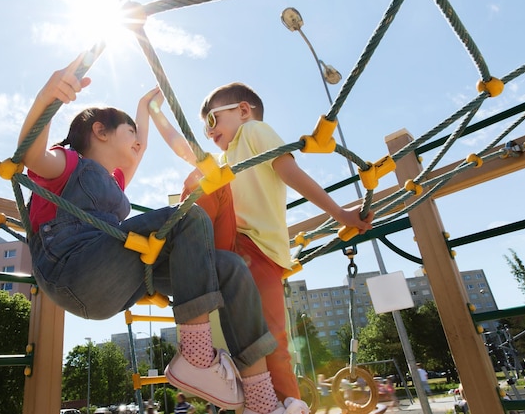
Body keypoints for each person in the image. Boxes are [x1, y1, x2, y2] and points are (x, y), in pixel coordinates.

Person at [18, 54, 308, 414]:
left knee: (231, 268)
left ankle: (261, 402)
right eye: (130, 135)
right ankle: (196, 356)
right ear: (99, 132)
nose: (138, 143)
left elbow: (139, 153)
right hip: (73, 267)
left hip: (114, 281)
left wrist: (145, 108)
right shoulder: (68, 162)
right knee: (186, 217)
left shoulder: (115, 181)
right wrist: (48, 98)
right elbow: (30, 156)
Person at [149, 82, 373, 401]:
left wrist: (339, 213)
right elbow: (183, 147)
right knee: (204, 174)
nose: (208, 133)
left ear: (243, 111)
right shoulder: (226, 160)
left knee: (270, 339)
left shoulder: (254, 131)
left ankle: (284, 403)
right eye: (204, 128)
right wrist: (156, 111)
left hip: (259, 253)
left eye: (212, 121)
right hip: (236, 246)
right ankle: (180, 254)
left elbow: (288, 170)